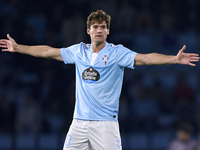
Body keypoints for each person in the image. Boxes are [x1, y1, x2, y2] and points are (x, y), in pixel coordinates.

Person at [0, 10, 199, 150]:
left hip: (105, 125)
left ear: (108, 31)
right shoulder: (78, 51)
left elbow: (145, 58)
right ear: (88, 30)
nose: (99, 30)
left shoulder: (117, 52)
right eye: (95, 27)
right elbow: (47, 51)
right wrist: (19, 48)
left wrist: (174, 58)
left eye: (103, 27)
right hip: (78, 123)